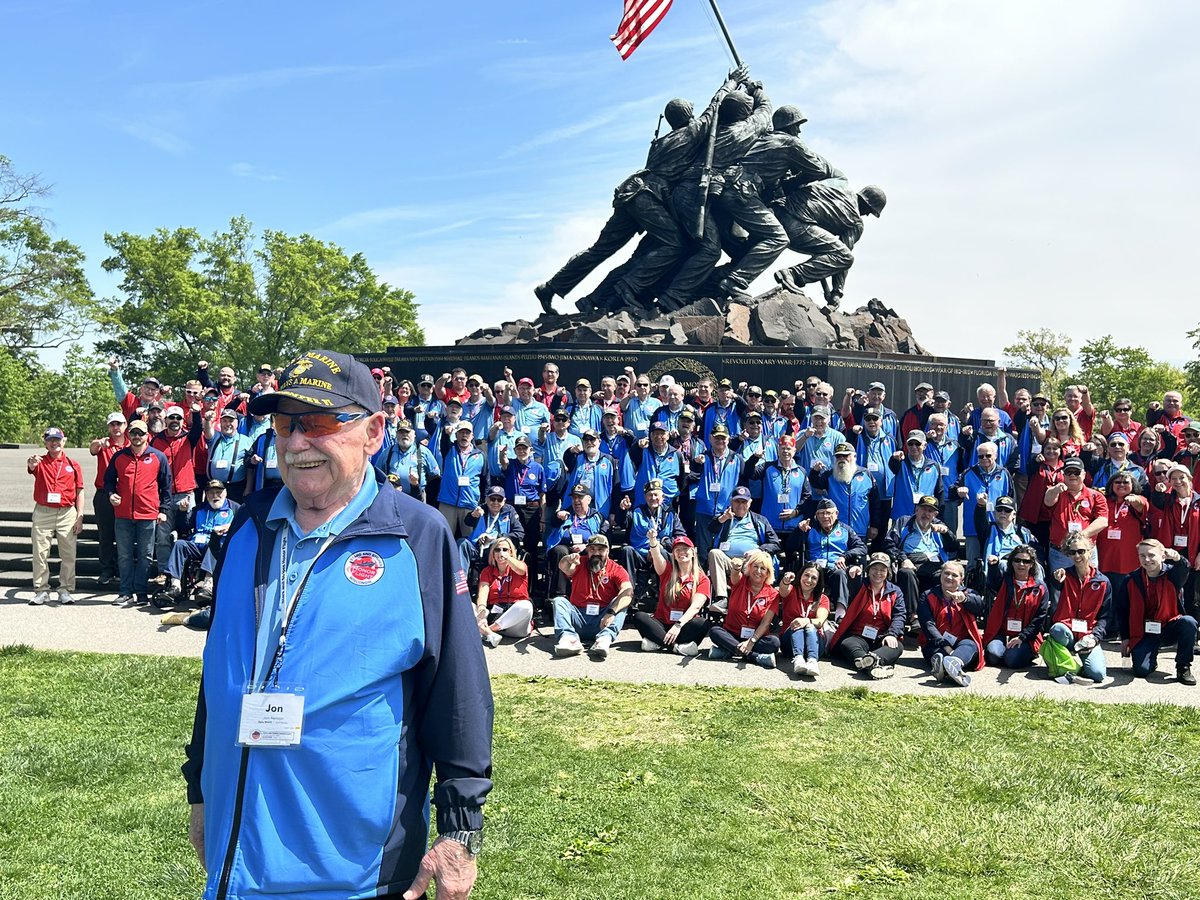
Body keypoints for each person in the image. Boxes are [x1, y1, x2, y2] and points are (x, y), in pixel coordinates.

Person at [181, 349, 493, 899]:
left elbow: (459, 690)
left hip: (354, 873)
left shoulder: (416, 537)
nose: (298, 442)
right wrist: (200, 791)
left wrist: (460, 831)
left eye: (321, 421)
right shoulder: (249, 525)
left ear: (374, 433)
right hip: (237, 864)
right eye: (286, 423)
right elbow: (221, 669)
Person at [104, 419, 171, 608]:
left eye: (140, 433)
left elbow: (166, 486)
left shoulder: (158, 457)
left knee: (145, 555)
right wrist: (111, 494)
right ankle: (125, 592)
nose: (137, 437)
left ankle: (141, 592)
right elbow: (108, 481)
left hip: (148, 514)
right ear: (128, 435)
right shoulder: (119, 457)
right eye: (133, 433)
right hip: (123, 514)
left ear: (147, 435)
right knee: (124, 555)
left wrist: (164, 510)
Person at [1121, 539, 1197, 684]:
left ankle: (1183, 666)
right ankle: (1150, 658)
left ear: (1162, 556)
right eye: (1142, 556)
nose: (1147, 560)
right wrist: (1125, 638)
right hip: (1145, 631)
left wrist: (1177, 557)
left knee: (1189, 622)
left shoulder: (1173, 575)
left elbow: (1185, 567)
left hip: (1169, 626)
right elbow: (1123, 611)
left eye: (1151, 555)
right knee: (1141, 671)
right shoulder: (1131, 579)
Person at [153, 479, 239, 608]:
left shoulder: (235, 508)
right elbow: (183, 527)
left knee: (214, 541)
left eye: (218, 492)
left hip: (220, 549)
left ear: (225, 492)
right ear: (206, 494)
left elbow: (244, 527)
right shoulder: (199, 509)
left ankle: (208, 584)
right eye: (211, 493)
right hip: (197, 546)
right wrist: (182, 512)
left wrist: (229, 527)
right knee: (180, 544)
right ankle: (175, 586)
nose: (215, 496)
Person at [1042, 533, 1112, 684]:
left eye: (1081, 551)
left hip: (1088, 634)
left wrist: (1095, 637)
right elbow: (1056, 584)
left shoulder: (1103, 581)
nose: (1077, 555)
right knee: (1057, 630)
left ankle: (1074, 664)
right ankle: (1071, 659)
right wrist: (1056, 578)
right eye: (1072, 552)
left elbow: (1106, 617)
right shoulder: (1064, 575)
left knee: (1098, 675)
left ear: (1090, 551)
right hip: (1067, 630)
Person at [27, 427, 86, 606]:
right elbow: (32, 467)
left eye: (57, 439)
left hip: (67, 512)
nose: (54, 443)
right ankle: (41, 590)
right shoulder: (40, 462)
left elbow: (80, 491)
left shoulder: (73, 464)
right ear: (45, 442)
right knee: (40, 552)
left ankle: (65, 589)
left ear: (64, 441)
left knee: (68, 552)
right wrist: (31, 464)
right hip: (43, 511)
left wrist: (80, 515)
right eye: (50, 439)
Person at [551, 533, 633, 659]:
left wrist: (611, 612)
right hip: (578, 617)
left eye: (601, 549)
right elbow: (563, 567)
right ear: (587, 550)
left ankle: (604, 640)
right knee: (559, 601)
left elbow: (628, 591)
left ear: (608, 551)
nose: (596, 553)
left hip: (602, 620)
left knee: (621, 601)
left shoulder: (616, 569)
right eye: (592, 549)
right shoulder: (579, 562)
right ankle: (569, 639)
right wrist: (568, 559)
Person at [706, 549, 790, 669]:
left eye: (763, 569)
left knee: (774, 643)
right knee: (715, 632)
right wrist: (735, 568)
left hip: (756, 638)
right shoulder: (740, 581)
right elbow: (735, 575)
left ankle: (730, 651)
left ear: (768, 573)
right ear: (749, 568)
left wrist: (751, 642)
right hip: (733, 633)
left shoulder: (772, 594)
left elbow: (766, 624)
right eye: (755, 566)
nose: (758, 571)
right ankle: (754, 657)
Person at [827, 552, 906, 678]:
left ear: (888, 572)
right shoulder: (859, 585)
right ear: (868, 570)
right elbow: (845, 578)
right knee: (847, 644)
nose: (878, 573)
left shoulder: (896, 591)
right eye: (874, 568)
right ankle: (876, 664)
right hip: (858, 636)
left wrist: (892, 634)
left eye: (882, 569)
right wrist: (851, 568)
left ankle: (867, 662)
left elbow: (899, 616)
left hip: (882, 636)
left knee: (897, 646)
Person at [634, 535, 712, 656]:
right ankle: (676, 647)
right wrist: (653, 540)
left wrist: (678, 625)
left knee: (702, 623)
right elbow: (656, 556)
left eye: (685, 549)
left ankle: (658, 642)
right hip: (662, 624)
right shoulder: (667, 571)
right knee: (639, 616)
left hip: (684, 626)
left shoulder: (702, 579)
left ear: (693, 552)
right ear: (674, 555)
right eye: (677, 550)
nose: (681, 552)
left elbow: (695, 607)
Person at [917, 561, 985, 687]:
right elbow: (927, 624)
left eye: (954, 575)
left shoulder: (969, 593)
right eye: (946, 573)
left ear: (961, 579)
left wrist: (965, 599)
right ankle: (950, 667)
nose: (949, 577)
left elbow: (980, 608)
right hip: (936, 643)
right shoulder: (927, 595)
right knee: (937, 654)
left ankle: (951, 664)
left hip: (962, 641)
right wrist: (945, 645)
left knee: (970, 645)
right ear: (940, 575)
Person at [982, 544, 1050, 669]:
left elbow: (1040, 618)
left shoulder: (1040, 587)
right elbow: (992, 583)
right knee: (993, 655)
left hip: (1026, 636)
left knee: (1012, 660)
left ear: (1032, 564)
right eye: (1017, 560)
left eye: (1026, 561)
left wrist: (1022, 637)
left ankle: (1023, 654)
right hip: (1001, 632)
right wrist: (993, 566)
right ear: (1011, 562)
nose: (1021, 564)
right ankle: (1010, 652)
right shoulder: (1005, 580)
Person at [89, 412, 129, 587]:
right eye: (112, 424)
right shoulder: (104, 444)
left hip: (124, 495)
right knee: (105, 535)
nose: (116, 428)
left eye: (119, 424)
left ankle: (121, 570)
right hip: (104, 494)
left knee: (123, 535)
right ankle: (106, 570)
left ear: (125, 425)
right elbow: (92, 449)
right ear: (108, 427)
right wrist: (98, 443)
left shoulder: (130, 444)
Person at [475, 535, 535, 648]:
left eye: (505, 549)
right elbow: (483, 592)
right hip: (494, 614)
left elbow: (519, 568)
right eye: (497, 549)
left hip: (516, 623)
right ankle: (489, 633)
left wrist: (507, 558)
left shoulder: (521, 566)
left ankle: (486, 630)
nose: (501, 552)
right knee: (468, 605)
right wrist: (482, 609)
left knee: (526, 605)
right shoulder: (487, 571)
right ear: (492, 553)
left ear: (511, 552)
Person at [778, 561, 830, 677]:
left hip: (814, 644)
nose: (809, 580)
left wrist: (806, 621)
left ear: (818, 582)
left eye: (814, 578)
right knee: (796, 624)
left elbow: (820, 621)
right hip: (789, 643)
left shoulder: (823, 599)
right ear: (800, 575)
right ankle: (798, 659)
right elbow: (782, 590)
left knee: (810, 625)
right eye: (806, 575)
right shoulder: (791, 591)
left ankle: (812, 661)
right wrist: (785, 581)